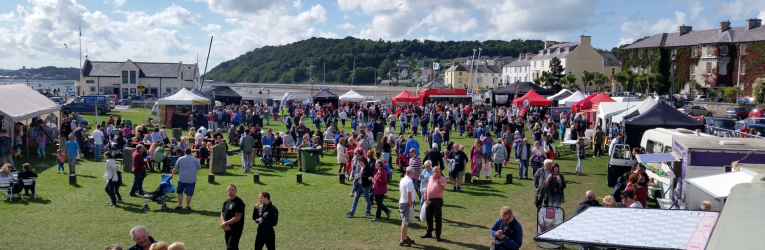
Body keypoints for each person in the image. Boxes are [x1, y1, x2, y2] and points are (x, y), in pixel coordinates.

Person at [422, 165, 446, 241]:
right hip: (429, 199)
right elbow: (427, 187)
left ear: (440, 172)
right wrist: (425, 196)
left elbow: (440, 188)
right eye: (433, 171)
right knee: (429, 217)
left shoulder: (442, 179)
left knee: (438, 218)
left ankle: (438, 234)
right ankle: (429, 232)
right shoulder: (430, 178)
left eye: (436, 171)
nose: (435, 173)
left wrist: (437, 180)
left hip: (437, 200)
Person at [221, 184, 245, 250]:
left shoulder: (239, 203)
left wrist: (225, 223)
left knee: (230, 248)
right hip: (227, 228)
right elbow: (222, 214)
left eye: (232, 190)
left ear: (236, 191)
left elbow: (237, 218)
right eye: (229, 190)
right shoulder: (226, 202)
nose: (230, 191)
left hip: (236, 229)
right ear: (226, 191)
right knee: (232, 247)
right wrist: (224, 223)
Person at [399, 166, 416, 247]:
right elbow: (408, 194)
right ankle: (402, 240)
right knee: (405, 223)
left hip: (402, 202)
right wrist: (410, 204)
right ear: (412, 173)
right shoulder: (409, 181)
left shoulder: (403, 179)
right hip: (406, 203)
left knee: (405, 222)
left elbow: (401, 192)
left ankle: (405, 237)